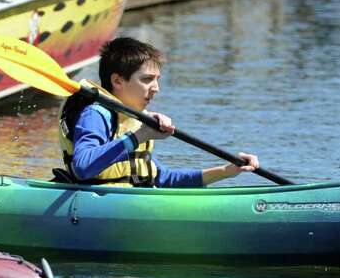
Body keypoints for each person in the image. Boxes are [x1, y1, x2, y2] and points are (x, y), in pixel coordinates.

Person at [57, 37, 258, 187]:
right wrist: (139, 136)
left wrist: (226, 171)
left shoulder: (135, 121)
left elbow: (161, 178)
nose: (156, 88)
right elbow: (83, 167)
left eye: (157, 79)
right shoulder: (96, 114)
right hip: (91, 206)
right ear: (117, 80)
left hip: (131, 203)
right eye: (147, 80)